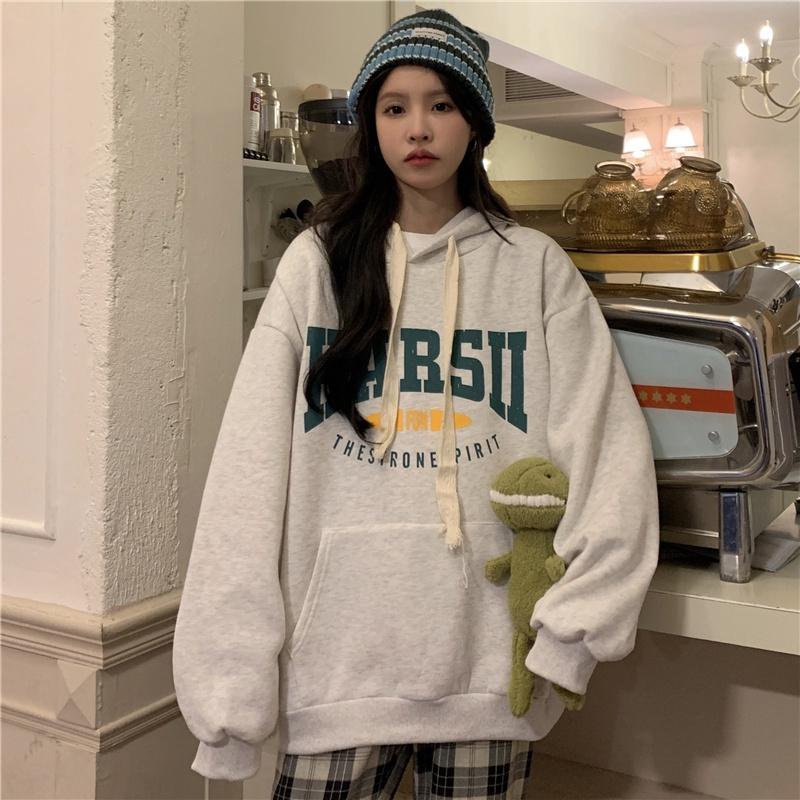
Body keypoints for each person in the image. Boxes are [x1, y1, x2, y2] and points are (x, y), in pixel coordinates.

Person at [172, 8, 660, 799]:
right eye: (395, 107)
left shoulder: (534, 268)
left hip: (489, 678)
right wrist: (228, 693)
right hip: (333, 678)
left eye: (442, 104)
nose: (419, 128)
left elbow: (608, 454)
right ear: (372, 126)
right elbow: (248, 477)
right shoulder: (316, 266)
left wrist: (574, 632)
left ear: (476, 124)